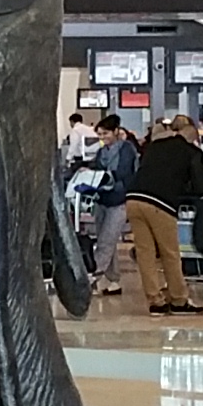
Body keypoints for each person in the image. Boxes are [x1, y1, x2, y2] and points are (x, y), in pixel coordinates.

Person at [125, 116, 203, 315]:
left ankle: (155, 301)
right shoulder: (192, 152)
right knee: (169, 253)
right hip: (160, 202)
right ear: (192, 133)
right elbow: (200, 187)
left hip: (133, 198)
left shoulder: (154, 146)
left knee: (145, 253)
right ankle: (179, 300)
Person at [88, 113, 137, 294]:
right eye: (100, 135)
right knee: (105, 241)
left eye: (105, 134)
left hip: (119, 200)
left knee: (106, 242)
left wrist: (104, 176)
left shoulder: (127, 150)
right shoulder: (102, 151)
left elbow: (124, 172)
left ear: (116, 131)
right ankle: (114, 280)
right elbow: (97, 167)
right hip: (102, 200)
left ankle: (92, 278)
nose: (102, 138)